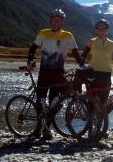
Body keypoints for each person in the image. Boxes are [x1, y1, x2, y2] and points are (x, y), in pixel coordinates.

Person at [27, 9, 83, 140]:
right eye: (54, 19)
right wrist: (30, 60)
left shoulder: (68, 35)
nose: (56, 22)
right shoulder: (43, 33)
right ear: (51, 20)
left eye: (59, 20)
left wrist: (82, 64)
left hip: (58, 73)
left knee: (54, 103)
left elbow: (75, 52)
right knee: (40, 100)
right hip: (44, 72)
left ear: (62, 21)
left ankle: (47, 128)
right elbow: (33, 47)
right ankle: (37, 129)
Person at [81, 19, 113, 105]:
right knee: (91, 102)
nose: (101, 30)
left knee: (103, 102)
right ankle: (90, 117)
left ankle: (100, 118)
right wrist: (82, 67)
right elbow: (83, 56)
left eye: (103, 28)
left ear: (107, 30)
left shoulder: (112, 44)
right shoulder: (92, 41)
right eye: (99, 28)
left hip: (106, 75)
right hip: (93, 74)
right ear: (96, 30)